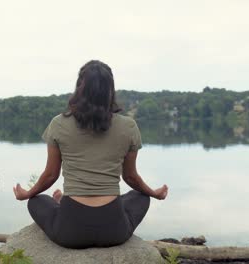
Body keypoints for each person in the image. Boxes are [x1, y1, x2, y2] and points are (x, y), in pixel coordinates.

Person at [13, 60, 168, 249]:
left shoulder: (59, 124)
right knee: (141, 196)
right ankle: (67, 203)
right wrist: (154, 193)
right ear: (110, 90)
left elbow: (51, 175)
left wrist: (26, 194)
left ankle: (62, 203)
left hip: (70, 232)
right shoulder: (129, 127)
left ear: (80, 88)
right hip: (114, 231)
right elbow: (131, 177)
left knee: (36, 201)